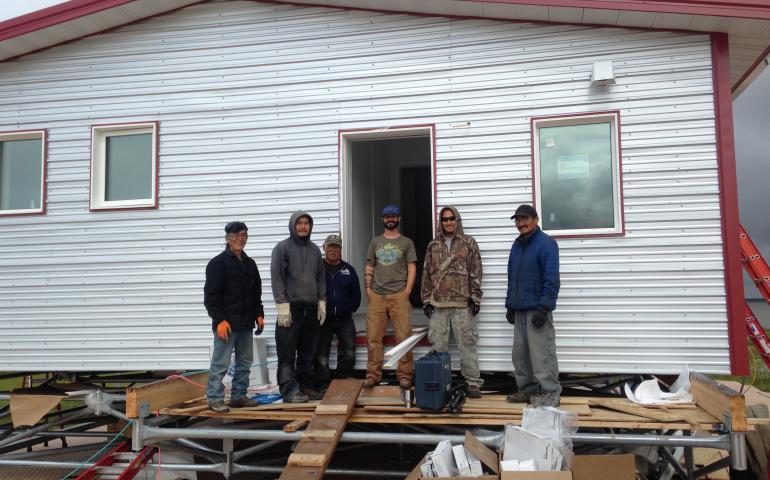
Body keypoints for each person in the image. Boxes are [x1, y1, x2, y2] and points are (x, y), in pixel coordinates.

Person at [421, 206, 484, 398]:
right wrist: (426, 300)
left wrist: (475, 298)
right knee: (438, 347)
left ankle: (473, 383)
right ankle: (439, 382)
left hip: (462, 305)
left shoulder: (468, 243)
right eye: (444, 219)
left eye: (451, 219)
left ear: (457, 220)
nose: (448, 222)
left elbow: (476, 271)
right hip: (438, 305)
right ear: (440, 223)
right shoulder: (433, 245)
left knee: (467, 344)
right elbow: (426, 273)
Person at [204, 221, 265, 413]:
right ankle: (214, 398)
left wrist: (259, 314)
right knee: (221, 363)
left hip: (246, 323)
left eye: (243, 235)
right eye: (235, 235)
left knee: (245, 362)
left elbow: (256, 293)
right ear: (227, 239)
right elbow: (211, 297)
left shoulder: (250, 264)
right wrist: (220, 320)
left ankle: (238, 396)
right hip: (227, 324)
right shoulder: (217, 263)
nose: (240, 239)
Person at [505, 204, 561, 407]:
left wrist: (544, 307)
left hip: (537, 309)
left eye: (525, 219)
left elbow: (552, 279)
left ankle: (550, 392)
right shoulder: (517, 245)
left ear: (536, 220)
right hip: (519, 309)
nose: (521, 223)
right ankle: (527, 389)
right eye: (517, 220)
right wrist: (509, 305)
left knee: (542, 354)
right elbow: (512, 277)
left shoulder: (547, 244)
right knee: (520, 355)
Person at [271, 211, 326, 403]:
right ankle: (289, 391)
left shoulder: (314, 250)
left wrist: (322, 300)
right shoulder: (282, 248)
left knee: (307, 353)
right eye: (299, 223)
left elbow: (320, 277)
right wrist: (282, 305)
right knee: (286, 354)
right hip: (291, 310)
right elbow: (277, 277)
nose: (303, 227)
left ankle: (305, 386)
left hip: (310, 310)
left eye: (306, 223)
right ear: (293, 225)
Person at [364, 205, 418, 390]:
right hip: (377, 295)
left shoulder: (406, 242)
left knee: (403, 336)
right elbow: (370, 264)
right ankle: (372, 375)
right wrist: (368, 289)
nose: (390, 219)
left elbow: (412, 266)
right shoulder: (375, 242)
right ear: (382, 219)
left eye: (393, 216)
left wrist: (407, 290)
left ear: (399, 219)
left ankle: (404, 375)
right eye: (387, 216)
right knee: (373, 337)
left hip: (399, 294)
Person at [313, 234, 361, 391]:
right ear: (324, 248)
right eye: (330, 246)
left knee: (348, 351)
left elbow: (356, 295)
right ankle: (323, 384)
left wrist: (348, 309)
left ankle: (343, 380)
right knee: (321, 354)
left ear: (340, 250)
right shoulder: (317, 269)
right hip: (322, 318)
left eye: (337, 247)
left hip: (344, 318)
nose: (333, 249)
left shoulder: (348, 270)